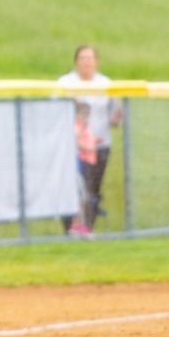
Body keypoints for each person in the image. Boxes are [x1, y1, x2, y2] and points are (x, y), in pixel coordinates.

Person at [59, 45, 120, 236]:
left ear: (96, 61)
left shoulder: (106, 83)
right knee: (73, 188)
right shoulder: (65, 83)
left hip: (99, 145)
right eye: (82, 58)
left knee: (93, 189)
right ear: (76, 61)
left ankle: (87, 229)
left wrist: (116, 118)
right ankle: (70, 229)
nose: (86, 61)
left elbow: (115, 116)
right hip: (73, 146)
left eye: (90, 58)